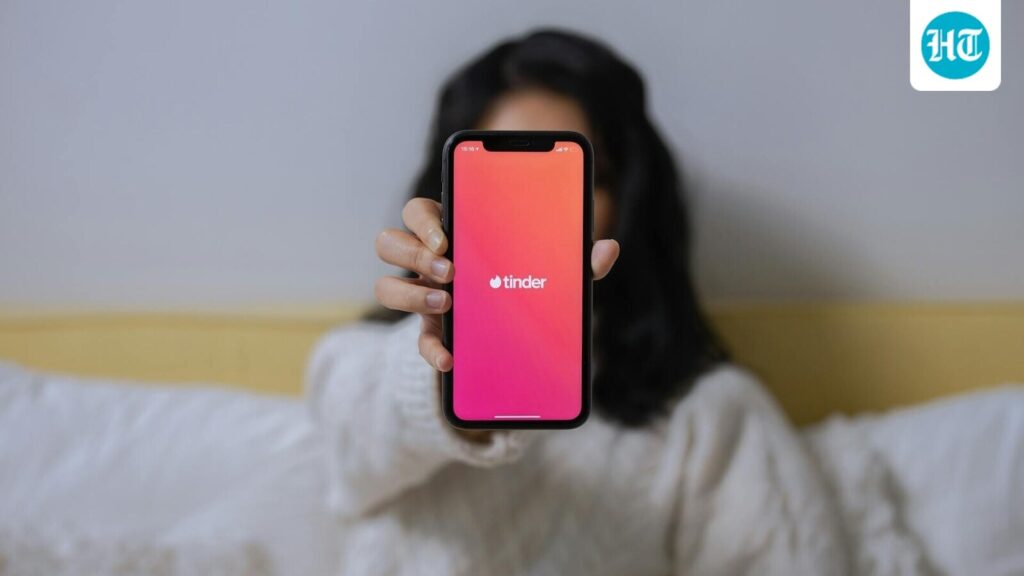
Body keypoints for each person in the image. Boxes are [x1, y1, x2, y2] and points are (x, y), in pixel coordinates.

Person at [307, 29, 848, 575]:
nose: (532, 211)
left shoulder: (714, 413)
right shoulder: (360, 366)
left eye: (568, 181)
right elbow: (355, 441)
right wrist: (451, 358)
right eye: (503, 180)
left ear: (629, 201)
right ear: (446, 201)